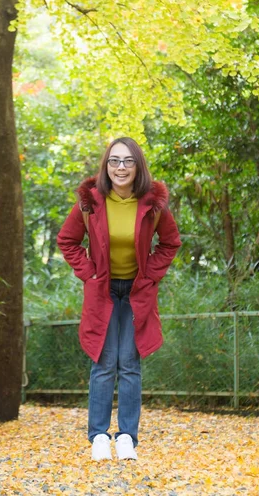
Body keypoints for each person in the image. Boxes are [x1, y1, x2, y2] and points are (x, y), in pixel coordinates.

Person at [57, 137, 181, 461]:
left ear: (138, 165)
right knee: (103, 363)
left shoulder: (153, 203)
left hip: (136, 294)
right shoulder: (91, 202)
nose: (120, 167)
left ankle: (127, 436)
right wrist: (89, 273)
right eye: (114, 161)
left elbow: (170, 243)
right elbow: (67, 240)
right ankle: (98, 436)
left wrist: (151, 274)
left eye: (127, 161)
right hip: (104, 294)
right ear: (106, 166)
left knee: (129, 364)